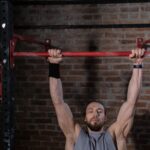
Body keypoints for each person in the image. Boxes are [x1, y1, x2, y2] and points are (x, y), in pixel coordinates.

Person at [48, 48, 145, 150]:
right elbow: (58, 103)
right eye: (90, 111)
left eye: (99, 111)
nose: (95, 114)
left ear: (105, 118)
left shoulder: (116, 135)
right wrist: (53, 65)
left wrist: (137, 64)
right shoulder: (73, 135)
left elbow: (131, 102)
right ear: (85, 118)